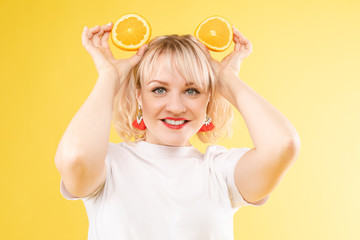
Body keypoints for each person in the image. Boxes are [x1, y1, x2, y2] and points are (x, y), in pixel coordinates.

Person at [55, 22, 301, 240]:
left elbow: (282, 146)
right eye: (159, 90)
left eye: (192, 90)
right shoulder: (108, 165)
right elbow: (75, 158)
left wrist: (226, 79)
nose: (175, 107)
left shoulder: (220, 171)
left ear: (208, 98)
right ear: (139, 96)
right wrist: (108, 77)